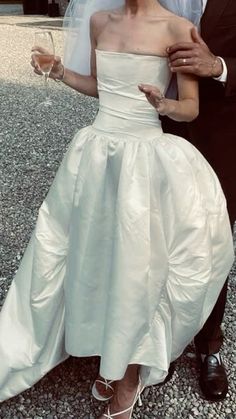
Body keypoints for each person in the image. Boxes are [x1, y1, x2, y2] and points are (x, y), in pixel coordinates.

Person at [0, 1, 234, 418]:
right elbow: (99, 86)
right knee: (95, 255)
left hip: (145, 158)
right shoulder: (98, 21)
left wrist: (164, 106)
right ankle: (107, 349)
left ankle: (129, 378)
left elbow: (191, 107)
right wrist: (59, 72)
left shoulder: (177, 27)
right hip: (95, 153)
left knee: (139, 266)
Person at [159, 0, 236, 402]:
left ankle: (208, 347)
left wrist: (219, 66)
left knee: (213, 244)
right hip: (162, 136)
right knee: (162, 242)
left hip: (224, 141)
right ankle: (164, 340)